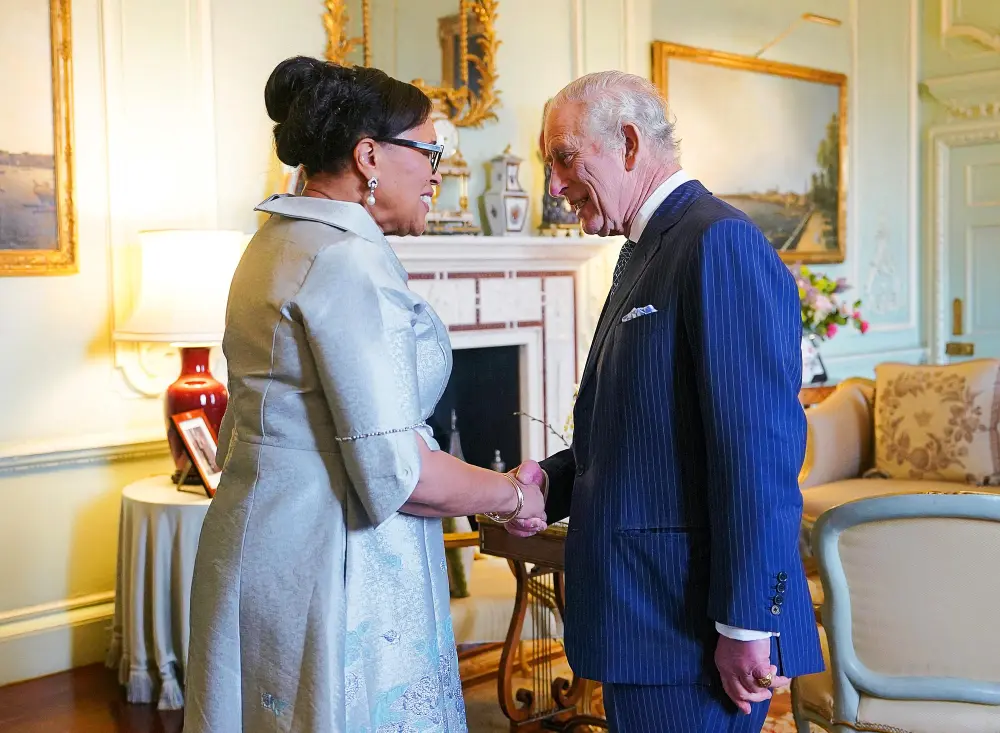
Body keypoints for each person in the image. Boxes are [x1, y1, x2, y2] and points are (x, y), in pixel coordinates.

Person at [183, 56, 547, 733]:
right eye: (431, 150)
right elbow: (399, 473)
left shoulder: (272, 241)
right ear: (369, 154)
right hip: (331, 565)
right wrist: (518, 495)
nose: (440, 171)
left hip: (256, 546)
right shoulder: (348, 260)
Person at [516, 71, 824, 732]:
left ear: (628, 142)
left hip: (692, 633)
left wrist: (749, 620)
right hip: (647, 626)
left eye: (564, 159)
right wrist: (553, 479)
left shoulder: (718, 241)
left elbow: (759, 453)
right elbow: (649, 433)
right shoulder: (641, 253)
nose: (554, 186)